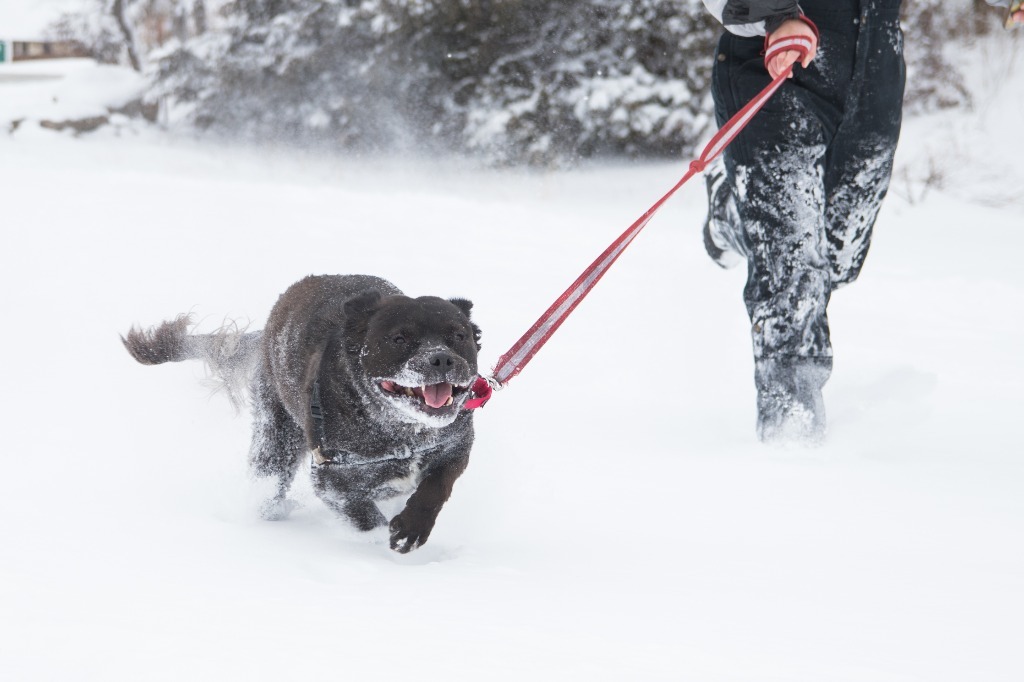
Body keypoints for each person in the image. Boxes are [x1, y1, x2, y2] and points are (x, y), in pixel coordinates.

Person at [699, 0, 1016, 444]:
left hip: (873, 71)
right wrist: (775, 14)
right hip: (780, 57)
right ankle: (792, 440)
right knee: (794, 269)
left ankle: (734, 210)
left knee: (838, 255)